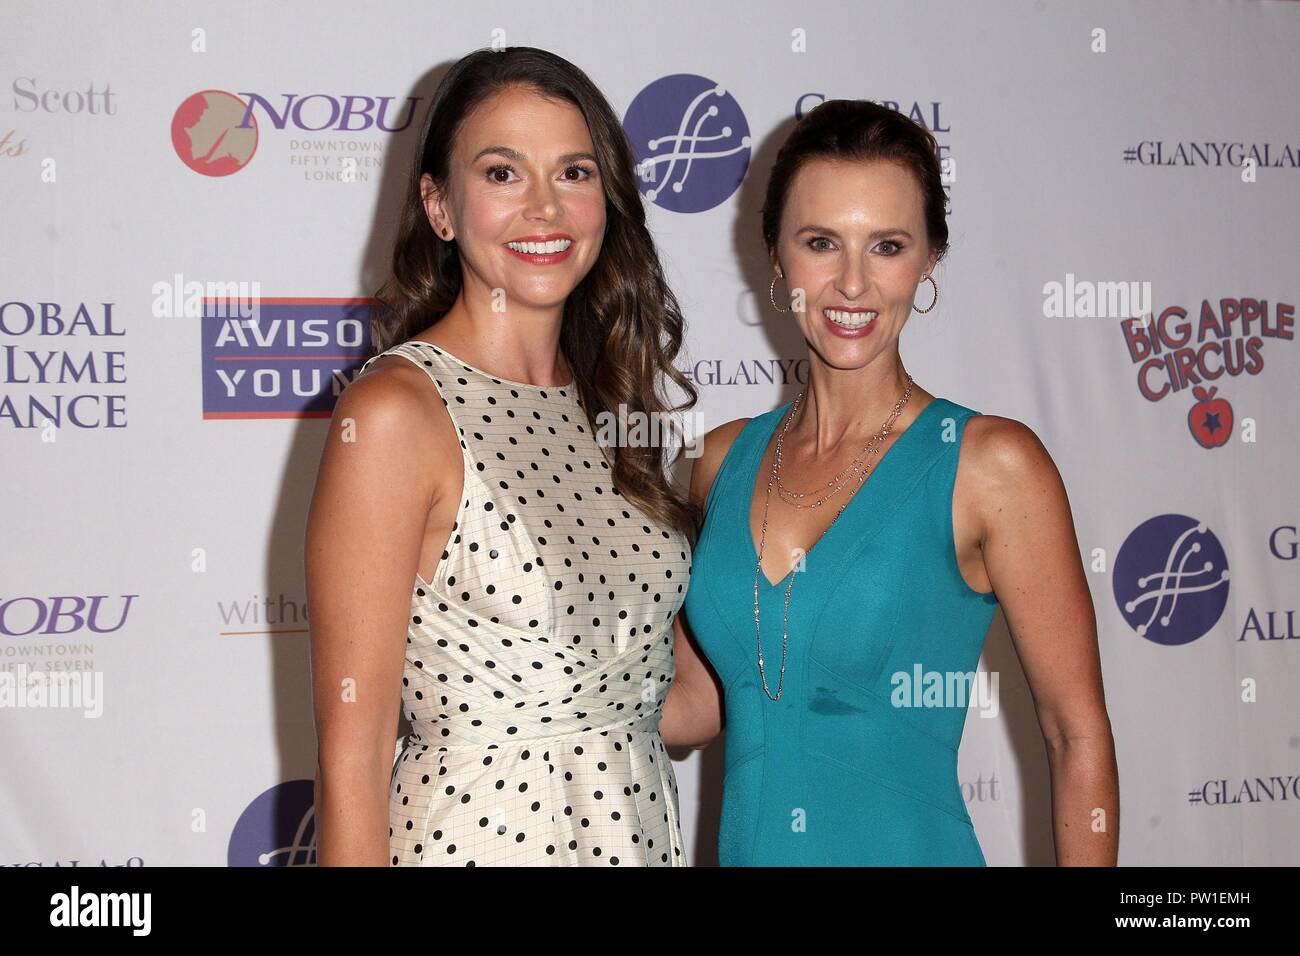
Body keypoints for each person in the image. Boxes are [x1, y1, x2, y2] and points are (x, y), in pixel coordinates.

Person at [660, 99, 1119, 866]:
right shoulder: (719, 462)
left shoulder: (988, 465)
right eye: (820, 243)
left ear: (929, 259)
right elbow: (693, 712)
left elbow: (1076, 734)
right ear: (776, 257)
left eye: (888, 246)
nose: (851, 284)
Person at [306, 47, 697, 866]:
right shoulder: (394, 413)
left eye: (576, 172)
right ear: (439, 207)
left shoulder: (609, 405)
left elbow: (666, 702)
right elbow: (354, 755)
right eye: (503, 174)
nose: (546, 209)